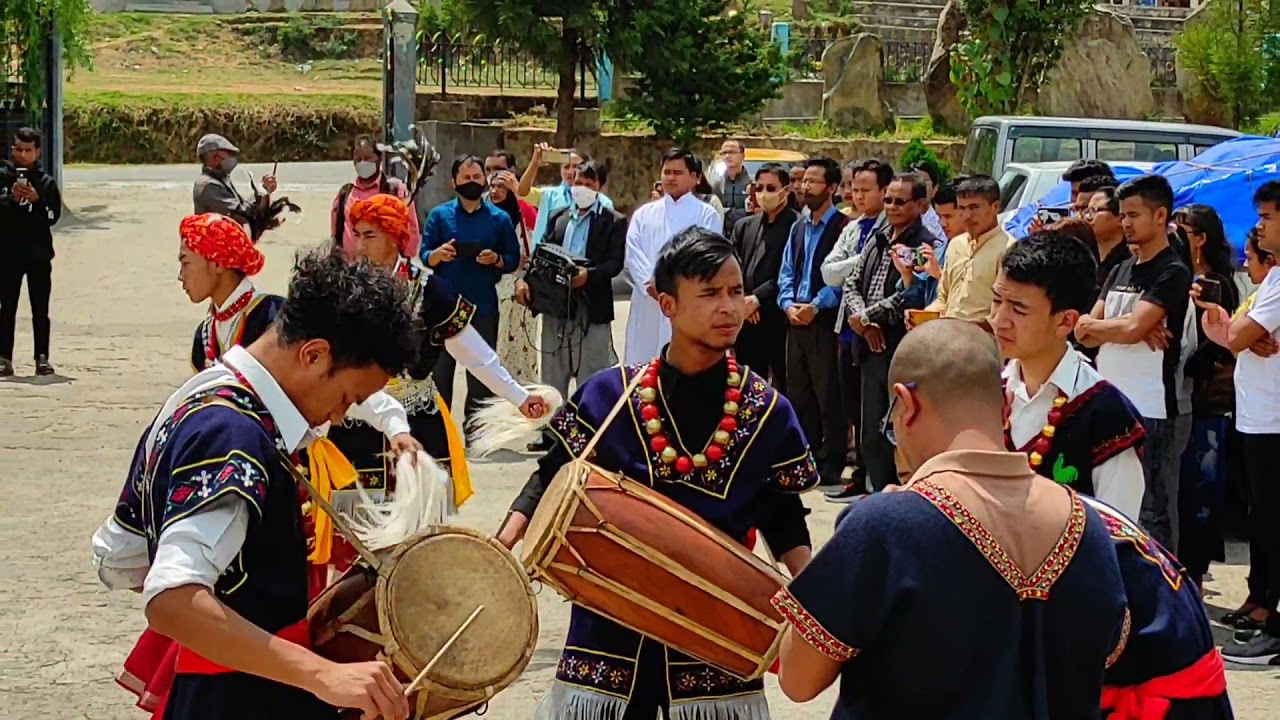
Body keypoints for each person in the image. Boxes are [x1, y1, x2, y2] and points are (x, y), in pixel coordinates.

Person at [496, 228, 819, 719]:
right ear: (665, 303)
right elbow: (552, 474)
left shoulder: (767, 410)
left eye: (735, 292)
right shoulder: (611, 397)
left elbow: (783, 514)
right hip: (609, 628)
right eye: (709, 293)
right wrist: (499, 552)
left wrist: (818, 601)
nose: (728, 307)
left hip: (716, 631)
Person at [92, 250, 417, 720]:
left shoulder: (207, 393)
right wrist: (321, 673)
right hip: (238, 700)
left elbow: (121, 555)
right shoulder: (232, 435)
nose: (340, 416)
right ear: (313, 354)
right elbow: (172, 600)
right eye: (346, 397)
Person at [771, 319, 1129, 718]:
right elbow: (1109, 653)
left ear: (906, 404)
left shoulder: (885, 526)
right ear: (1006, 406)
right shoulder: (1090, 527)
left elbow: (798, 679)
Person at [328, 193, 546, 569]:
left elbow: (473, 352)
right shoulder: (346, 291)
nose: (359, 245)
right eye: (357, 235)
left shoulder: (430, 290)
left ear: (395, 237)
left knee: (419, 541)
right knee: (356, 541)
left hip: (418, 422)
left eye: (369, 235)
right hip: (357, 424)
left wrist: (518, 395)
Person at [1076, 174, 1194, 552]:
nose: (1125, 223)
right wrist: (1119, 327)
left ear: (1160, 216)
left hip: (1153, 407)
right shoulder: (1121, 269)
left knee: (1154, 511)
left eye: (1134, 214)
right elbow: (1083, 332)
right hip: (1112, 400)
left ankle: (1164, 596)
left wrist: (1119, 327)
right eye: (1122, 214)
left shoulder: (1171, 271)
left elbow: (1126, 328)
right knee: (1111, 503)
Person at [993, 231, 1146, 519]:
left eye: (1018, 309)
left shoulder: (1105, 414)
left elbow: (1118, 531)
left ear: (1065, 321)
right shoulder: (985, 394)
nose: (999, 320)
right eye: (996, 301)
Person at [1195, 181, 1280, 664]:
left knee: (1272, 524)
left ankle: (1272, 623)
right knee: (1260, 519)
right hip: (1257, 415)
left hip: (1274, 418)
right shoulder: (1271, 282)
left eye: (1267, 217)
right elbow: (1239, 336)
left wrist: (1235, 334)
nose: (1260, 226)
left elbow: (1242, 335)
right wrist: (1228, 330)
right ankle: (1262, 606)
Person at [515, 160, 626, 452]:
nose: (582, 189)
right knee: (553, 373)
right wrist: (526, 283)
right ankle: (551, 435)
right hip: (555, 307)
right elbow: (542, 253)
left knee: (591, 373)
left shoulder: (613, 221)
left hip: (592, 309)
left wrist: (589, 276)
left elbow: (615, 264)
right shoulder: (557, 216)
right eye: (578, 182)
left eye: (590, 184)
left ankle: (589, 435)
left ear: (600, 188)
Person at [834, 174, 934, 492]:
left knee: (895, 429)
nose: (890, 206)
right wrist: (862, 323)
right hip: (868, 346)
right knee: (870, 432)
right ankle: (877, 493)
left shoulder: (924, 244)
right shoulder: (878, 237)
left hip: (897, 348)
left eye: (899, 201)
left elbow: (913, 294)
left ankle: (894, 495)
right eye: (888, 200)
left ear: (920, 205)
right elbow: (852, 282)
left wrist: (867, 318)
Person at [421, 154, 522, 434]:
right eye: (466, 178)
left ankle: (476, 432)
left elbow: (513, 258)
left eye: (477, 177)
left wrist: (497, 259)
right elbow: (424, 254)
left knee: (482, 374)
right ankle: (438, 433)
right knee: (441, 374)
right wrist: (439, 254)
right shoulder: (440, 216)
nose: (472, 182)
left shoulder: (499, 218)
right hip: (444, 309)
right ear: (454, 182)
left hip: (483, 308)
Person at [1171, 204, 1241, 592]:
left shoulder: (1215, 285)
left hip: (1206, 402)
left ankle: (1193, 575)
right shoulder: (1183, 278)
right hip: (1184, 399)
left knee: (1199, 490)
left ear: (1200, 239)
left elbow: (1218, 347)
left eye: (1183, 230)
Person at [821, 159, 893, 501]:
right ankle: (861, 476)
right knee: (852, 407)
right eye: (855, 189)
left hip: (878, 334)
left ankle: (875, 482)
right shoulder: (853, 227)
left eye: (866, 190)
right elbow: (830, 273)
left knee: (876, 414)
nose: (858, 196)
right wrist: (862, 258)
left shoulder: (891, 230)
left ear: (884, 190)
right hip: (848, 329)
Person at [779, 156, 850, 488]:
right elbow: (786, 273)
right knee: (799, 392)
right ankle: (803, 459)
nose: (804, 187)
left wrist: (816, 306)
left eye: (813, 181)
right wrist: (787, 304)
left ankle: (830, 461)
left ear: (832, 187)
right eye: (803, 181)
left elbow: (844, 279)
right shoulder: (798, 227)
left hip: (824, 321)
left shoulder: (843, 228)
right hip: (795, 320)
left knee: (828, 395)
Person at [622, 146, 723, 365]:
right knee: (642, 363)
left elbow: (703, 256)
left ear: (695, 177)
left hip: (684, 301)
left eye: (677, 173)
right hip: (647, 300)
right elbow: (633, 249)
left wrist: (671, 286)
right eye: (667, 172)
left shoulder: (706, 214)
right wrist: (650, 282)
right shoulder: (644, 214)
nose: (670, 178)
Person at [177, 213, 283, 374]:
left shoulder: (275, 317)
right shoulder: (204, 336)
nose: (180, 275)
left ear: (217, 263)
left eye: (186, 263)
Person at [730, 162, 797, 394]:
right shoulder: (744, 226)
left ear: (786, 190)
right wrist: (744, 299)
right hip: (746, 319)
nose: (764, 194)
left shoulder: (796, 227)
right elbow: (733, 265)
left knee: (783, 385)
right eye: (759, 187)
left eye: (771, 188)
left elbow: (789, 272)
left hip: (779, 319)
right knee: (745, 384)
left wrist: (757, 299)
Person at [0, 126, 62, 377]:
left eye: (28, 150)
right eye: (18, 149)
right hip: (7, 254)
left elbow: (52, 215)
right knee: (6, 308)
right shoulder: (3, 177)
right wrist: (9, 199)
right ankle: (4, 358)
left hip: (38, 255)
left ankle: (42, 357)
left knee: (40, 309)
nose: (22, 155)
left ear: (37, 153)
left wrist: (37, 201)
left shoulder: (46, 183)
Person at [918, 175, 1013, 329]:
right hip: (948, 339)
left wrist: (969, 327)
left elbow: (1008, 309)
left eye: (974, 207)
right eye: (962, 208)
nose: (967, 216)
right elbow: (943, 298)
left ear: (995, 207)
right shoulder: (956, 245)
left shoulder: (1009, 250)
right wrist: (924, 317)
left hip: (985, 345)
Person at [487, 166, 540, 384]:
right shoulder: (484, 216)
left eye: (502, 187)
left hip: (521, 288)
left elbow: (537, 241)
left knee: (522, 349)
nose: (496, 191)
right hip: (494, 290)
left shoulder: (525, 213)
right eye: (492, 186)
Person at [330, 134, 419, 260]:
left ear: (379, 158)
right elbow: (336, 235)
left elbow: (411, 232)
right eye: (358, 159)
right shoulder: (345, 195)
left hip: (385, 273)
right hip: (350, 272)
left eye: (367, 158)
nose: (362, 163)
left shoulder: (395, 190)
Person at [518, 143, 614, 247]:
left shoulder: (603, 202)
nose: (570, 171)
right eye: (566, 167)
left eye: (575, 166)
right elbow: (522, 192)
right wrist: (535, 162)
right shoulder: (550, 195)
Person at [192, 133, 276, 229]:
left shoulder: (219, 179)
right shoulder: (209, 185)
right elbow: (243, 214)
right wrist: (262, 193)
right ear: (215, 158)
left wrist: (264, 191)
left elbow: (241, 208)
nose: (232, 159)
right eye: (229, 154)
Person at [714, 139, 751, 228]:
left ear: (742, 155)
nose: (727, 156)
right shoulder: (716, 184)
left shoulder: (752, 183)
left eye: (732, 152)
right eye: (724, 153)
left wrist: (727, 212)